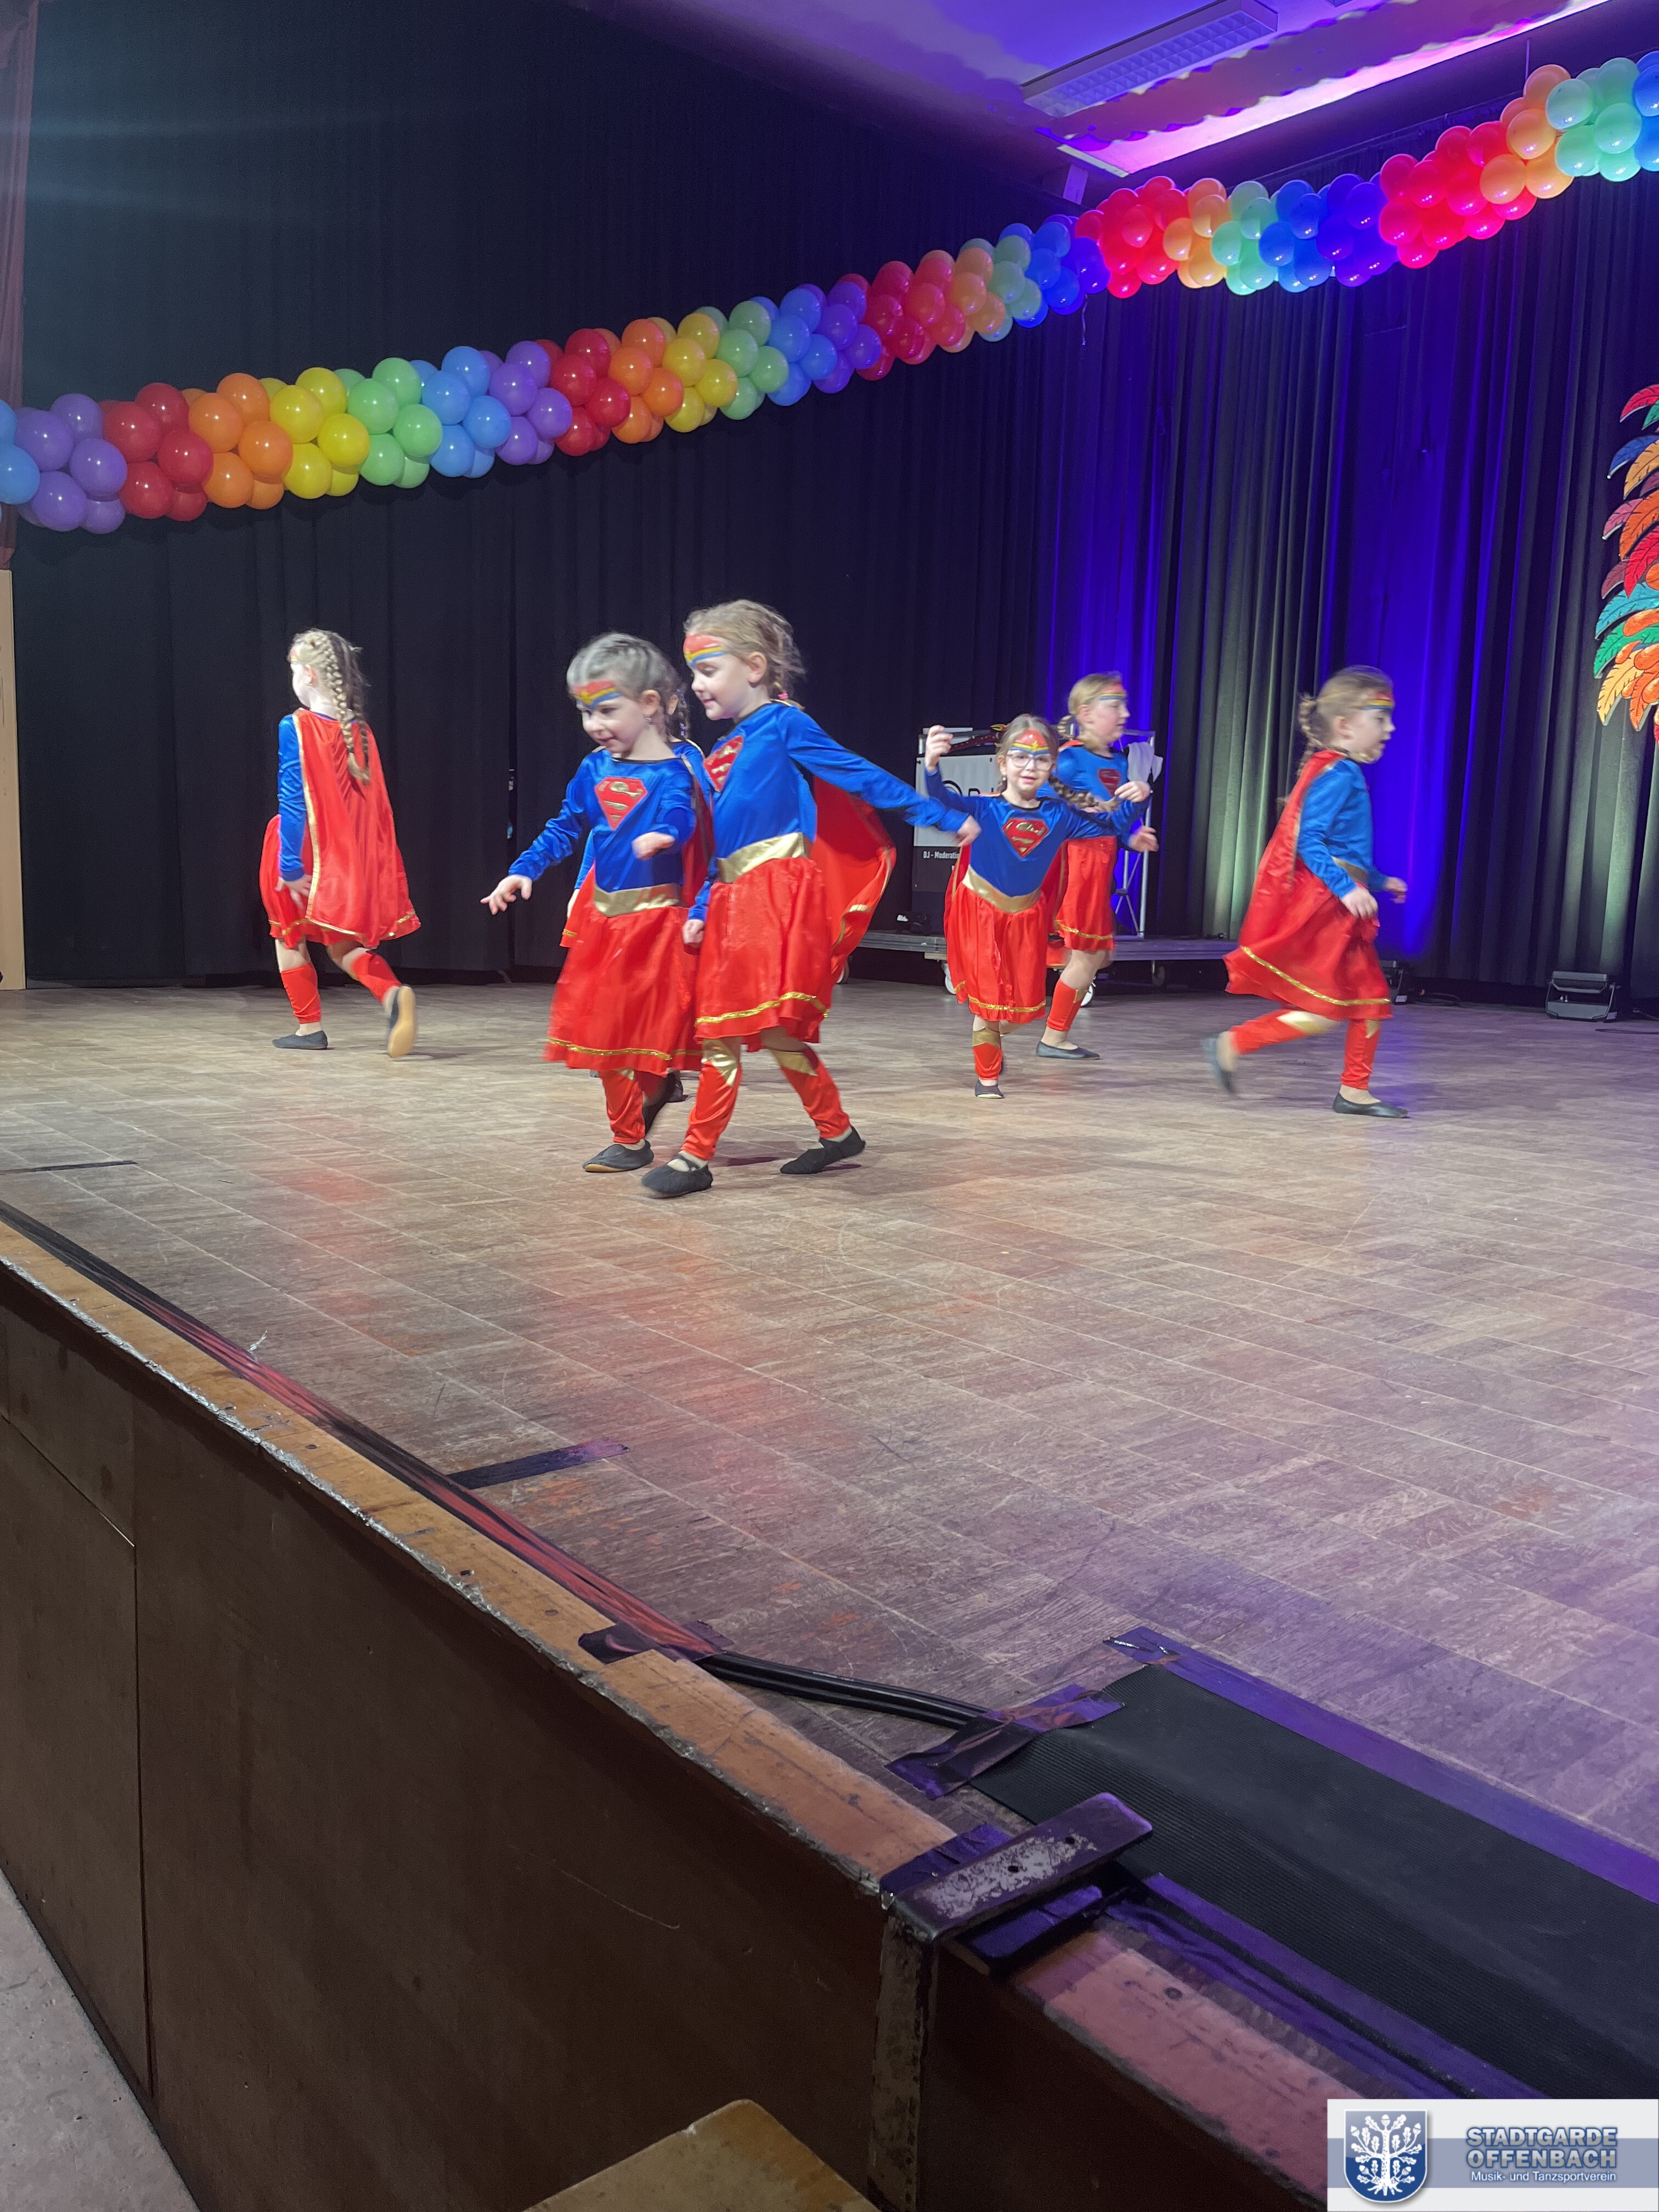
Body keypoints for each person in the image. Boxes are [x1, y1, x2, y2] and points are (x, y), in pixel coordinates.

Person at [639, 599, 977, 1199]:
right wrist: (702, 908)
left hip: (773, 900)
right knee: (773, 1035)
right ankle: (837, 1131)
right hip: (732, 903)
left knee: (723, 1031)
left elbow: (859, 774)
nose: (697, 685)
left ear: (755, 667)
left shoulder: (784, 725)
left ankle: (695, 1157)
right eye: (694, 673)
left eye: (708, 670)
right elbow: (720, 846)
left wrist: (939, 814)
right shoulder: (725, 749)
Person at [483, 635, 708, 1172]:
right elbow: (566, 825)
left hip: (657, 923)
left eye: (607, 710)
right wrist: (523, 869)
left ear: (649, 704)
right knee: (602, 1034)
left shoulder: (676, 771)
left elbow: (682, 814)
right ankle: (629, 1139)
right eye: (586, 712)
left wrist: (666, 835)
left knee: (645, 1034)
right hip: (603, 920)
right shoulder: (594, 769)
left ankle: (657, 1087)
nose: (594, 724)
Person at [1205, 666, 1408, 1117]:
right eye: (1380, 718)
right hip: (1330, 909)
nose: (1390, 728)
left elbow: (1345, 849)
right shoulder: (1341, 773)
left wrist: (1378, 880)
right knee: (1323, 1012)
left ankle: (1354, 1091)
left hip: (1343, 905)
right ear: (1346, 725)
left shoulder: (1339, 769)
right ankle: (1233, 1042)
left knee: (1371, 1000)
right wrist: (1347, 889)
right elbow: (1309, 840)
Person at [923, 716, 1149, 1098]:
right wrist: (932, 766)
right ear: (1002, 763)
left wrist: (1137, 801)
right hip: (980, 914)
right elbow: (943, 799)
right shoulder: (985, 809)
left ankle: (989, 1040)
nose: (1030, 766)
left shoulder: (1060, 815)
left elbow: (1109, 828)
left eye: (1041, 759)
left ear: (1052, 767)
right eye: (1020, 757)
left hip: (1027, 918)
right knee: (989, 1004)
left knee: (1021, 1010)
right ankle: (988, 1079)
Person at [259, 629, 419, 1055]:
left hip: (300, 849)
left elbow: (293, 800)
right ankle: (391, 993)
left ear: (309, 675)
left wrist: (290, 865)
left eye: (294, 670)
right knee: (342, 945)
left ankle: (308, 1028)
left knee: (288, 936)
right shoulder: (359, 731)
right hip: (343, 857)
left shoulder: (296, 726)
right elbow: (372, 811)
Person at [1039, 672, 1157, 1059]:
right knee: (1088, 955)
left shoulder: (1118, 762)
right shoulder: (1070, 758)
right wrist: (1076, 807)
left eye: (1124, 705)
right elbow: (1037, 800)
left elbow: (1114, 823)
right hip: (1078, 864)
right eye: (1115, 705)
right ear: (1087, 714)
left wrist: (1132, 832)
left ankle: (1032, 957)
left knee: (1100, 955)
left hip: (1102, 865)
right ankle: (1054, 1038)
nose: (1125, 714)